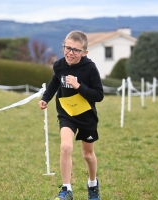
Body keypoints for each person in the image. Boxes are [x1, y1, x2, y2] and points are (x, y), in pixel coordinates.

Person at [38, 30, 103, 199]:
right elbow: (54, 83)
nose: (70, 53)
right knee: (65, 147)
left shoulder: (90, 68)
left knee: (87, 155)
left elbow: (98, 95)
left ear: (84, 53)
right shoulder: (59, 65)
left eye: (75, 50)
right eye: (67, 48)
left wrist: (78, 86)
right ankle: (67, 190)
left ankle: (93, 185)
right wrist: (46, 98)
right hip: (67, 114)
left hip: (86, 115)